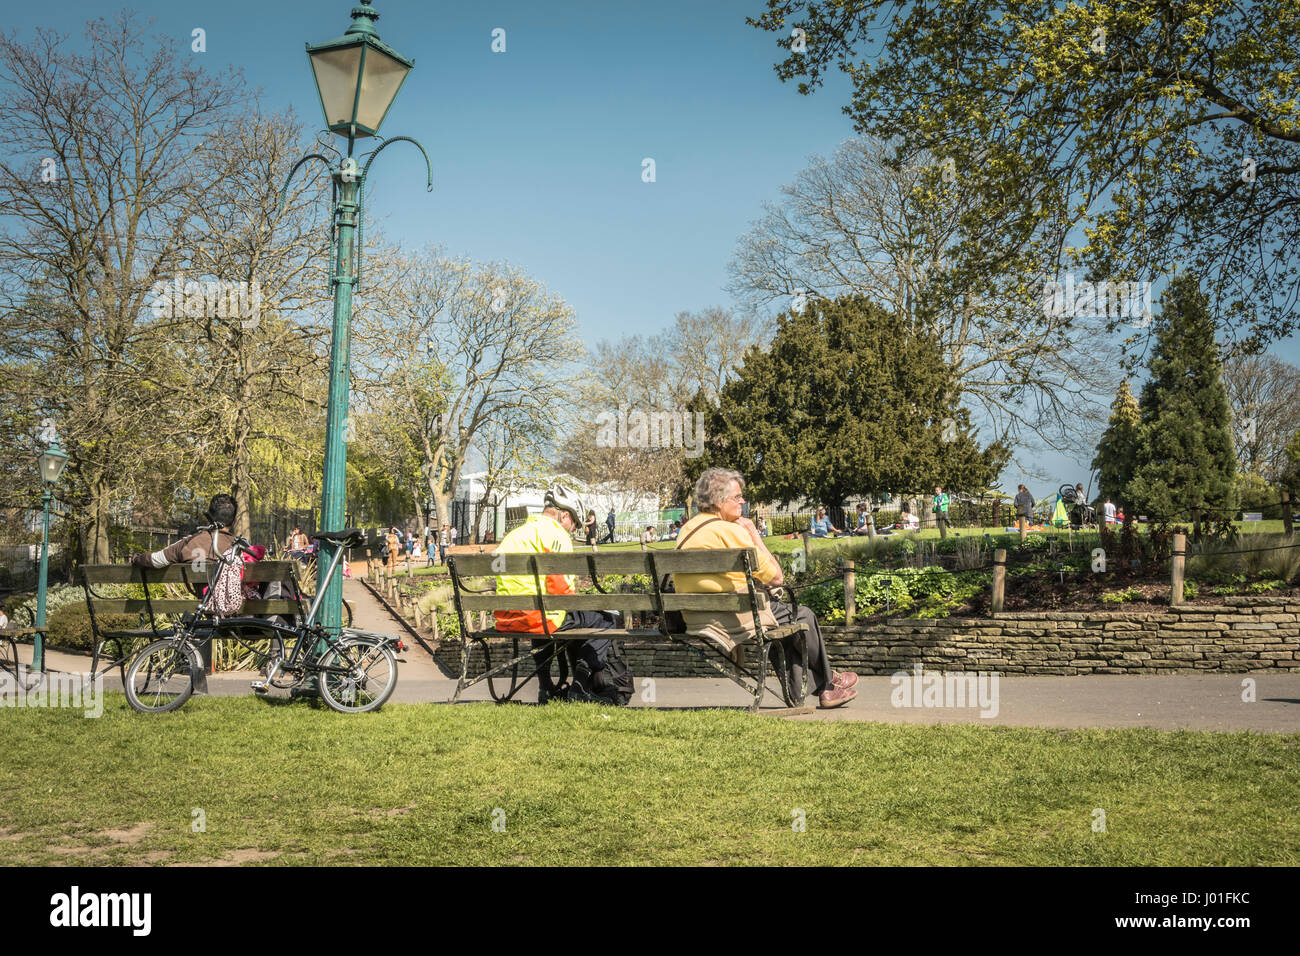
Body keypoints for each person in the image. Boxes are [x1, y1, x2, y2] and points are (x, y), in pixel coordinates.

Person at [672, 468, 857, 709]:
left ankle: (809, 690)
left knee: (783, 621)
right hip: (734, 617)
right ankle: (827, 685)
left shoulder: (687, 530)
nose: (743, 501)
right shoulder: (731, 530)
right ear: (719, 501)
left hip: (695, 616)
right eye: (737, 497)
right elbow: (776, 577)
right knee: (803, 616)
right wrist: (753, 533)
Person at [493, 486, 628, 705]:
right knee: (607, 620)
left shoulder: (514, 535)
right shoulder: (556, 534)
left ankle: (546, 687)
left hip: (509, 617)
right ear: (564, 515)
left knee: (564, 617)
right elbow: (561, 593)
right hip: (541, 617)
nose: (572, 530)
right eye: (573, 523)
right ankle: (580, 685)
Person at [130, 493, 242, 694]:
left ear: (208, 518)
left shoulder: (190, 542)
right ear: (233, 521)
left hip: (201, 609)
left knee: (189, 618)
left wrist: (137, 558)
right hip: (233, 613)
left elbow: (155, 560)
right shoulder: (238, 546)